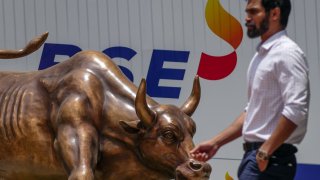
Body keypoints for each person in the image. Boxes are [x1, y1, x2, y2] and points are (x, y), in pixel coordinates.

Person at [190, 0, 310, 179]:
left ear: (275, 14)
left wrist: (266, 150)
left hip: (271, 159)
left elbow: (297, 108)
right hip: (258, 158)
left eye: (254, 12)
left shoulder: (287, 53)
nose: (247, 18)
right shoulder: (262, 56)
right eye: (247, 12)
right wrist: (216, 143)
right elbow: (253, 110)